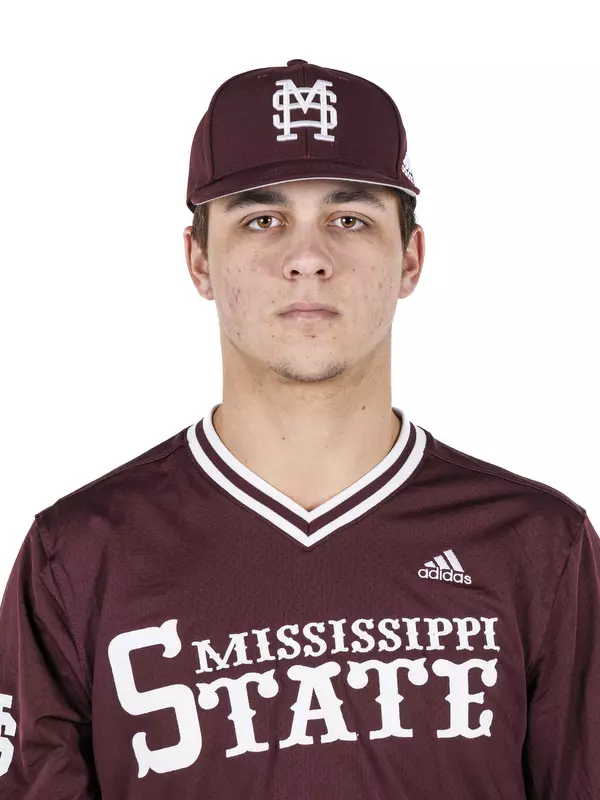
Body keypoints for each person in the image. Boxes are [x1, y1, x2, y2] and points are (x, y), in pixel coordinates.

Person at [0, 58, 598, 800]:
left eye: (349, 220)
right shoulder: (78, 557)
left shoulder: (540, 547)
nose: (308, 258)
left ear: (410, 258)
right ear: (198, 261)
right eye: (262, 219)